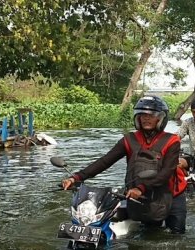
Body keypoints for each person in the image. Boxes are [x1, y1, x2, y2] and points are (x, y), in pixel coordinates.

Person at [61, 96, 188, 233]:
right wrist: (77, 177)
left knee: (176, 235)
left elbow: (166, 173)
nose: (146, 118)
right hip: (140, 194)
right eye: (142, 115)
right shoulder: (129, 140)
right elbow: (105, 161)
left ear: (160, 118)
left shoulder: (172, 141)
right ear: (137, 118)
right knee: (149, 233)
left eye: (151, 115)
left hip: (171, 193)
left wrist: (140, 188)